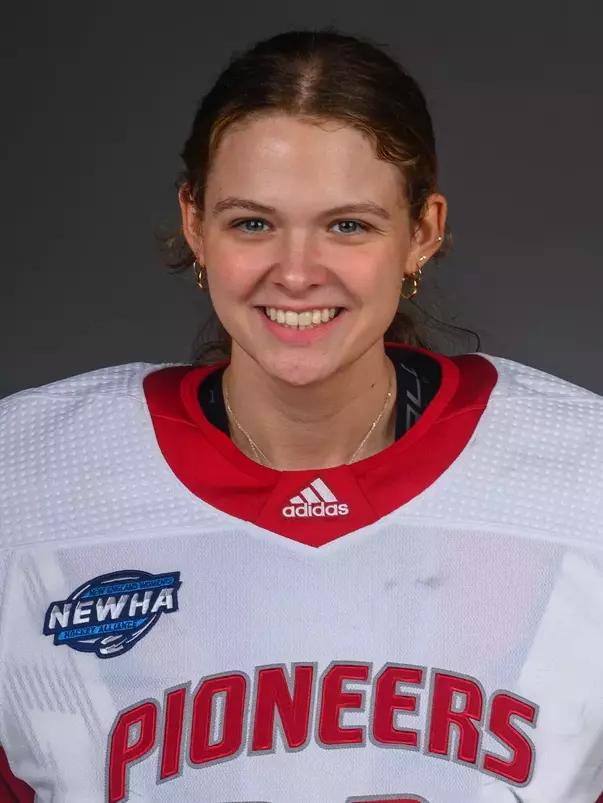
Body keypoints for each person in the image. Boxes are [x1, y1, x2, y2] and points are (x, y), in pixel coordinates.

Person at [0, 27, 602, 803]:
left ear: (422, 232)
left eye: (347, 224)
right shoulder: (26, 477)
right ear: (195, 222)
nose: (294, 272)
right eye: (253, 222)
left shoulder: (581, 474)